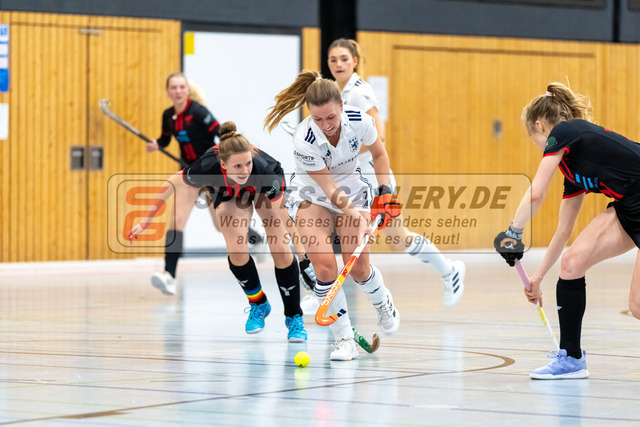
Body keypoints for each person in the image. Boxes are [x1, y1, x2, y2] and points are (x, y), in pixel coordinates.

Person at [494, 82, 640, 379]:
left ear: (539, 125)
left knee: (637, 305)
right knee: (572, 263)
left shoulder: (565, 131)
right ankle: (572, 359)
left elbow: (536, 193)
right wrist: (538, 278)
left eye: (533, 138)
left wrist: (513, 232)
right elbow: (563, 231)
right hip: (629, 206)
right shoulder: (572, 169)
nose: (538, 146)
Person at [264, 70, 402, 361]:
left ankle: (383, 302)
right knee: (325, 269)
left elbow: (379, 154)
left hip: (352, 187)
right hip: (312, 195)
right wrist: (358, 217)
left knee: (359, 269)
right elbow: (328, 189)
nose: (326, 125)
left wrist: (385, 192)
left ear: (341, 105)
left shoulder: (360, 121)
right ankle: (344, 340)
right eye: (318, 119)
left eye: (331, 117)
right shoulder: (304, 139)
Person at [130, 121, 308, 342]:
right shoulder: (207, 167)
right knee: (236, 249)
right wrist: (146, 220)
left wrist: (303, 257)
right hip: (228, 192)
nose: (244, 170)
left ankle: (294, 317)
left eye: (247, 163)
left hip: (262, 189)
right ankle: (258, 303)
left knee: (280, 248)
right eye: (238, 166)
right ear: (223, 164)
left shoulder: (263, 171)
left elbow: (286, 218)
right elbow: (170, 184)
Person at [324, 38, 465, 309]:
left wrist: (339, 153)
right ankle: (320, 289)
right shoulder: (336, 94)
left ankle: (450, 271)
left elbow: (379, 136)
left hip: (372, 177)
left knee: (397, 239)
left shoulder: (359, 93)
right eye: (333, 60)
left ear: (355, 61)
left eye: (344, 59)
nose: (338, 64)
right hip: (352, 178)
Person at [145, 72, 221, 296]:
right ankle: (169, 276)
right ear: (168, 91)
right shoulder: (168, 116)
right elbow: (165, 139)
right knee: (176, 222)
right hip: (189, 175)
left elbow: (221, 133)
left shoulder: (198, 112)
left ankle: (254, 236)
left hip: (211, 172)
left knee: (221, 224)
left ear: (187, 90)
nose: (178, 91)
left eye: (181, 87)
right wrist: (157, 144)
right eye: (173, 87)